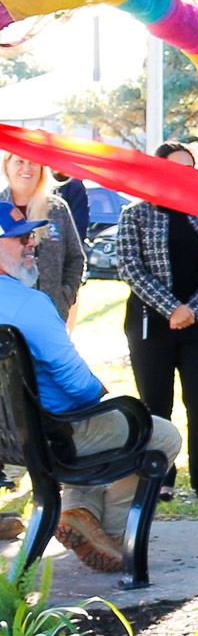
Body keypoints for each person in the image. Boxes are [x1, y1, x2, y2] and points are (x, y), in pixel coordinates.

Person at [0, 200, 181, 574]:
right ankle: (113, 537)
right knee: (159, 434)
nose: (32, 243)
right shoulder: (28, 305)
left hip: (10, 441)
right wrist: (103, 397)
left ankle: (78, 512)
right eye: (20, 239)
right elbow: (75, 382)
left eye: (31, 234)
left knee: (111, 426)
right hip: (54, 435)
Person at [115, 143, 198, 501]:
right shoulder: (135, 214)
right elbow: (130, 267)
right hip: (151, 323)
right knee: (156, 403)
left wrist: (192, 308)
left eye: (189, 166)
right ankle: (160, 475)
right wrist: (171, 308)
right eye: (176, 166)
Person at [3, 154, 84, 322]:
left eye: (33, 162)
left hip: (49, 313)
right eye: (20, 161)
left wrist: (65, 297)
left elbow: (75, 258)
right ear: (6, 166)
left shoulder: (57, 208)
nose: (27, 168)